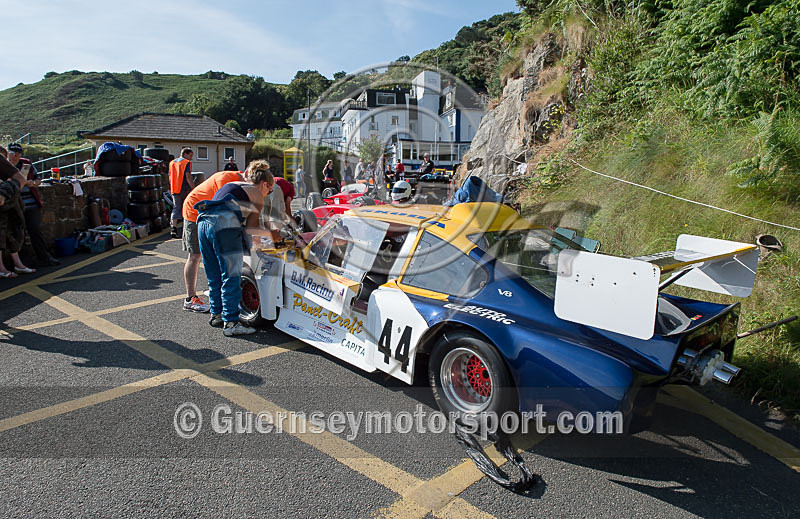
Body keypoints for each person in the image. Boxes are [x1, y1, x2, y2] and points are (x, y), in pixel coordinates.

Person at [195, 160, 274, 336]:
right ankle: (231, 323)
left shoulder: (233, 184)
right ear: (265, 184)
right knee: (231, 275)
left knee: (214, 273)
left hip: (203, 222)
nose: (268, 194)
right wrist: (272, 237)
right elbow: (252, 228)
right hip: (224, 224)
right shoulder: (258, 195)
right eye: (270, 191)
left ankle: (217, 314)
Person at [181, 169, 246, 313]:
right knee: (195, 255)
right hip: (194, 212)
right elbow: (224, 205)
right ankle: (190, 299)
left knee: (212, 256)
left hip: (208, 214)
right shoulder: (227, 179)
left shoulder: (239, 181)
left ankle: (217, 296)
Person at [7, 143, 58, 267]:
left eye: (18, 154)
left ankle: (45, 257)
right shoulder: (4, 165)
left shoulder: (26, 164)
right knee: (18, 232)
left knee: (35, 230)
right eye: (13, 154)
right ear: (8, 154)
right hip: (14, 204)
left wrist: (32, 183)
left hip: (31, 203)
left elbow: (38, 180)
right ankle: (22, 262)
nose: (16, 157)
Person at [0, 149, 33, 278]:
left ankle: (8, 267)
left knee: (6, 234)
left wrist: (4, 193)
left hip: (6, 207)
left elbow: (20, 179)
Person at [169, 147, 195, 239]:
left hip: (174, 188)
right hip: (184, 188)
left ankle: (173, 228)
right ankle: (185, 228)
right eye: (190, 155)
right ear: (185, 154)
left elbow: (170, 176)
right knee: (186, 207)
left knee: (176, 207)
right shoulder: (186, 163)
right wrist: (193, 188)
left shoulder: (172, 163)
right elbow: (188, 176)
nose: (191, 158)